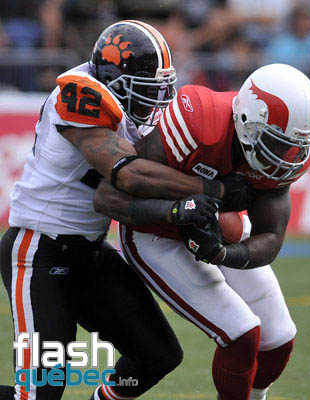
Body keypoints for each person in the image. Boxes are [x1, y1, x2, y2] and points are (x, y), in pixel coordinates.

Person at [0, 20, 250, 400]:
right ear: (113, 80)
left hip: (90, 252)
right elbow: (128, 174)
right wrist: (213, 191)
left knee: (157, 356)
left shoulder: (127, 103)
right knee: (38, 395)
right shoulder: (78, 93)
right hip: (39, 250)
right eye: (146, 89)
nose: (155, 100)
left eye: (159, 88)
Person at [92, 63, 310, 400]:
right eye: (273, 142)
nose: (282, 156)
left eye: (289, 146)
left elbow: (271, 237)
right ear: (247, 118)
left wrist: (224, 254)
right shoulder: (200, 119)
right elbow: (112, 194)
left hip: (216, 228)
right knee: (241, 334)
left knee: (279, 339)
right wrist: (195, 199)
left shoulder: (285, 158)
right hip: (153, 232)